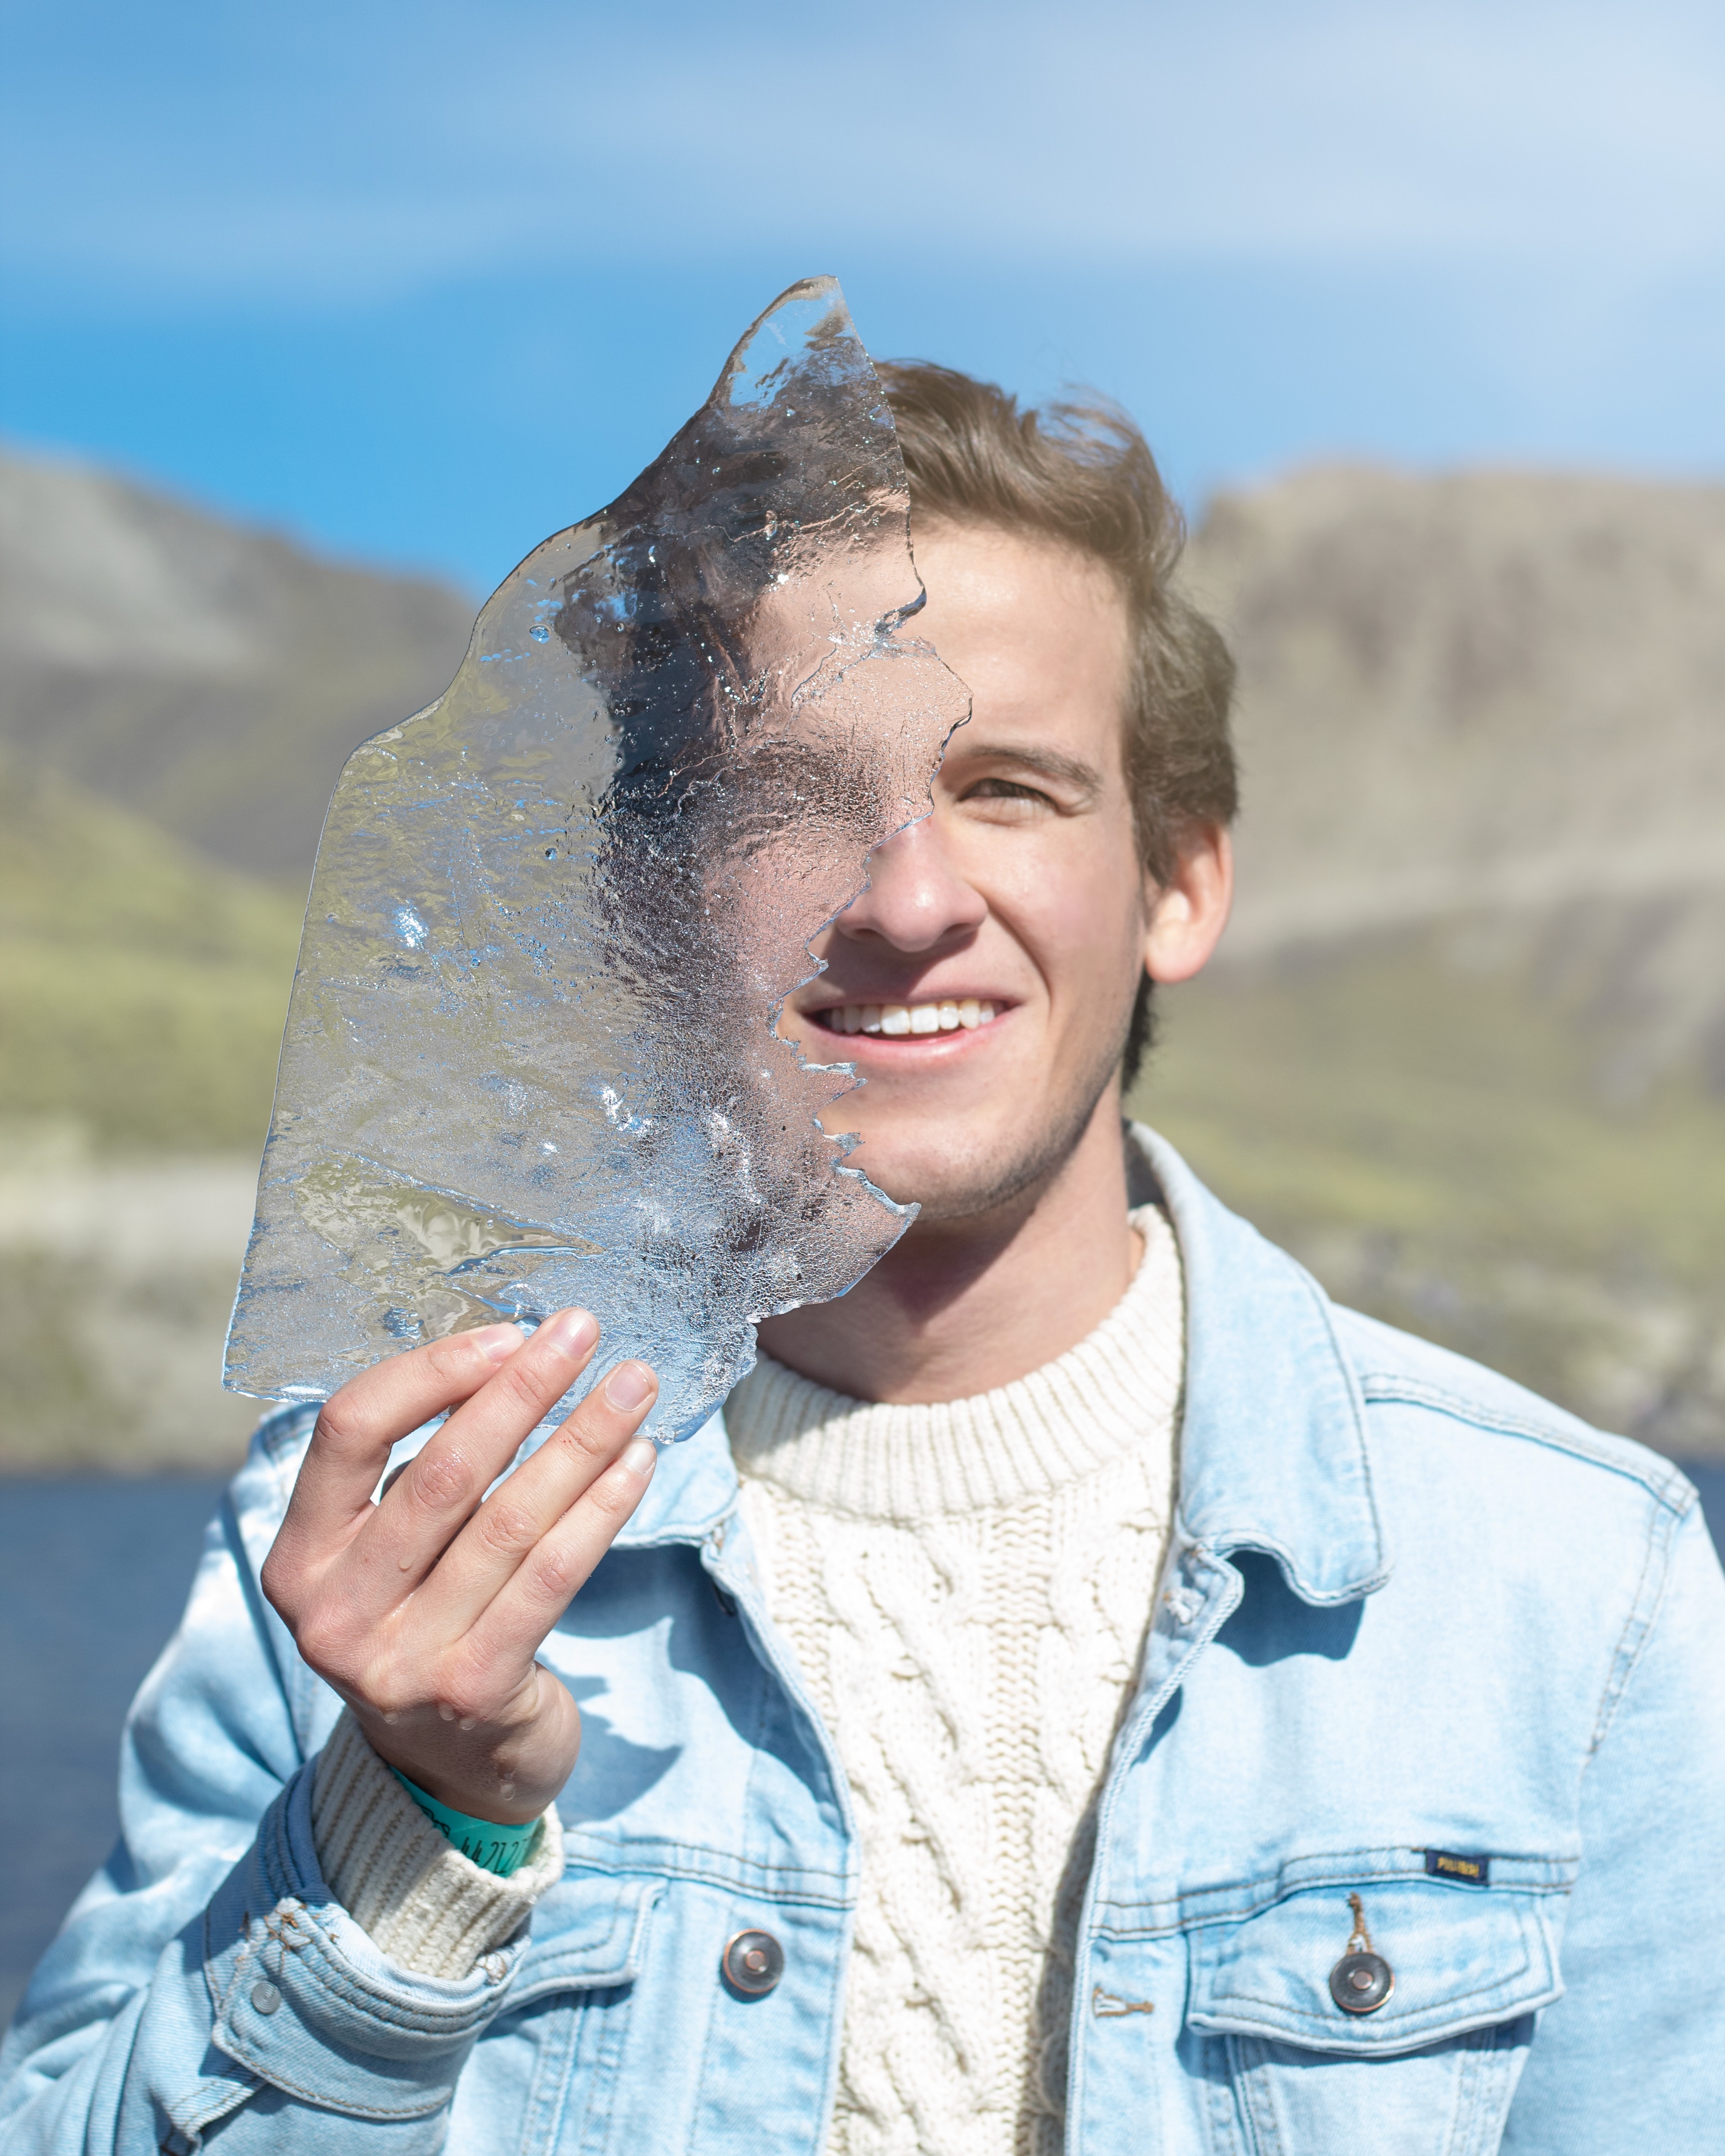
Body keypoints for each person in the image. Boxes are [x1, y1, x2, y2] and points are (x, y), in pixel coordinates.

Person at [3, 364, 1722, 2156]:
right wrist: (414, 1828)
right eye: (795, 800)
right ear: (651, 904)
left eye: (1008, 789)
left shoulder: (1572, 1585)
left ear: (1180, 884)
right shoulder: (380, 1547)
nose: (908, 901)